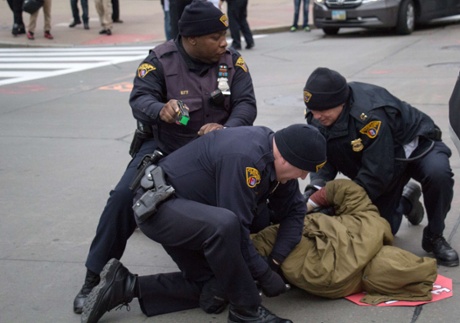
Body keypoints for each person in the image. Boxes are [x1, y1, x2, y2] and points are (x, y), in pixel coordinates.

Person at [73, 0, 257, 315]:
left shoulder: (232, 62)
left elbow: (246, 104)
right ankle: (94, 278)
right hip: (168, 146)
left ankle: (226, 270)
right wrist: (161, 109)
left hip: (214, 151)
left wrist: (227, 128)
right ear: (191, 38)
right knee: (122, 198)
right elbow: (139, 98)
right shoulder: (160, 61)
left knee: (241, 203)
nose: (223, 42)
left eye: (224, 35)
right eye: (215, 37)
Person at [80, 124, 328, 323]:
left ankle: (126, 286)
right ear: (286, 159)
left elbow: (295, 211)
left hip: (196, 216)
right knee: (226, 225)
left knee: (218, 286)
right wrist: (263, 275)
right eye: (302, 171)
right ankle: (247, 312)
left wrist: (274, 261)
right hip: (161, 211)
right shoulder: (245, 158)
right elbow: (235, 229)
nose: (303, 177)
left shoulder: (275, 160)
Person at [303, 67, 459, 267]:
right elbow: (322, 156)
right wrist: (315, 189)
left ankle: (435, 236)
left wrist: (342, 203)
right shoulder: (318, 115)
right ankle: (406, 201)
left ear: (340, 102)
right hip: (384, 160)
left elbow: (376, 174)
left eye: (322, 111)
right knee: (384, 229)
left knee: (439, 174)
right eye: (313, 111)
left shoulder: (369, 116)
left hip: (415, 148)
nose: (317, 116)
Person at [252, 179, 437, 303]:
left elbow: (346, 189)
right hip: (299, 230)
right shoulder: (338, 281)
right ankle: (406, 201)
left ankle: (405, 200)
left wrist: (308, 206)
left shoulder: (373, 224)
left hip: (293, 227)